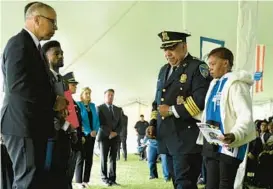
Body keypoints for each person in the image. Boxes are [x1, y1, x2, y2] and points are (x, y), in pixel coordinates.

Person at [0, 2, 67, 189]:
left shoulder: (33, 47)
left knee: (32, 179)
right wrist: (54, 101)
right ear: (36, 20)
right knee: (26, 180)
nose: (55, 27)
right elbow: (18, 86)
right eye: (53, 22)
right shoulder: (19, 44)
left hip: (31, 124)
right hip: (21, 124)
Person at [147, 31, 211, 189]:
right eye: (165, 49)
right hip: (166, 137)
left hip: (186, 139)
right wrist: (153, 123)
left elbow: (200, 100)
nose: (167, 53)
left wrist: (171, 110)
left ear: (184, 46)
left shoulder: (197, 67)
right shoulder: (164, 70)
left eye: (172, 48)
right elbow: (157, 100)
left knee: (185, 183)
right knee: (177, 183)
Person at [198, 47, 256, 189]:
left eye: (213, 64)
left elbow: (245, 115)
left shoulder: (237, 84)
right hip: (212, 142)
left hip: (230, 143)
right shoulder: (214, 84)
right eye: (209, 64)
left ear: (225, 63)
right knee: (210, 185)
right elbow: (210, 112)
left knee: (225, 184)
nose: (209, 68)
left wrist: (235, 134)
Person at [42, 40, 78, 188]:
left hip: (64, 136)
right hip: (50, 135)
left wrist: (73, 128)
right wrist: (65, 125)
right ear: (45, 56)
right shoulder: (43, 78)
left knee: (63, 175)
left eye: (62, 53)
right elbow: (46, 108)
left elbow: (68, 108)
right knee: (49, 176)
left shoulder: (63, 81)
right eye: (56, 53)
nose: (61, 55)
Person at [61, 72, 84, 189]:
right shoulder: (64, 99)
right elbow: (62, 120)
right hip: (68, 141)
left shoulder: (72, 101)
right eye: (73, 84)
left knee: (70, 173)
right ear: (65, 85)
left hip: (75, 141)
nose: (75, 86)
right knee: (66, 173)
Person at [74, 87, 100, 188]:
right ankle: (78, 181)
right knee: (81, 158)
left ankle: (86, 180)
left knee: (89, 158)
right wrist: (89, 131)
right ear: (82, 94)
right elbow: (80, 121)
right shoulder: (78, 105)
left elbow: (97, 120)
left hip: (92, 136)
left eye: (89, 93)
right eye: (86, 93)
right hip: (83, 135)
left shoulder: (93, 106)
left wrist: (95, 131)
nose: (88, 95)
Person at [97, 89, 123, 186]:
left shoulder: (118, 109)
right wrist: (109, 132)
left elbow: (121, 124)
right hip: (104, 137)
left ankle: (112, 179)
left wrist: (115, 133)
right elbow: (100, 123)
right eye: (108, 95)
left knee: (113, 158)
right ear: (104, 96)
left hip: (115, 137)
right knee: (103, 158)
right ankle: (104, 178)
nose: (110, 97)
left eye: (112, 95)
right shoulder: (99, 108)